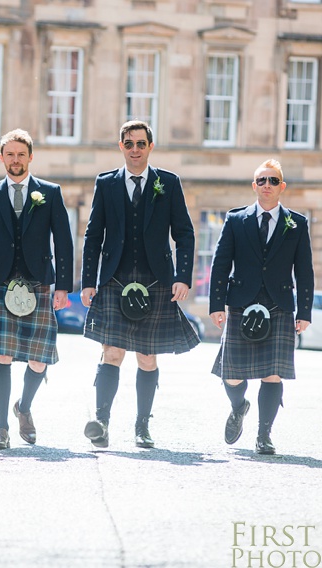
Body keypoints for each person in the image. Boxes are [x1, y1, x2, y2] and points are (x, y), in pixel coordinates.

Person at [80, 120, 199, 449]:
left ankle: (142, 426)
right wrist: (88, 282)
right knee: (112, 352)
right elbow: (93, 236)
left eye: (141, 144)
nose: (135, 149)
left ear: (150, 147)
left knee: (147, 356)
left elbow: (185, 234)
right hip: (115, 279)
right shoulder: (106, 184)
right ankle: (101, 423)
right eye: (129, 143)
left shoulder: (169, 183)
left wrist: (182, 277)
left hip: (156, 280)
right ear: (121, 146)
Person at [0, 128, 74, 450]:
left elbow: (64, 241)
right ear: (2, 157)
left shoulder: (50, 193)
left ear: (30, 157)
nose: (15, 160)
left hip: (39, 281)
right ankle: (1, 428)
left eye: (21, 154)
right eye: (10, 154)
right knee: (1, 355)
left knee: (39, 359)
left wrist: (63, 287)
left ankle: (23, 408)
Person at [209, 158, 313, 455]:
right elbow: (220, 264)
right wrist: (217, 304)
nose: (267, 185)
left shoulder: (297, 224)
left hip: (279, 305)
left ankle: (264, 435)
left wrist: (304, 312)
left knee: (273, 373)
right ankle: (239, 405)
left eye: (273, 180)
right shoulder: (235, 219)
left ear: (282, 186)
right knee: (231, 374)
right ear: (254, 186)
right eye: (262, 180)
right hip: (241, 303)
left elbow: (304, 271)